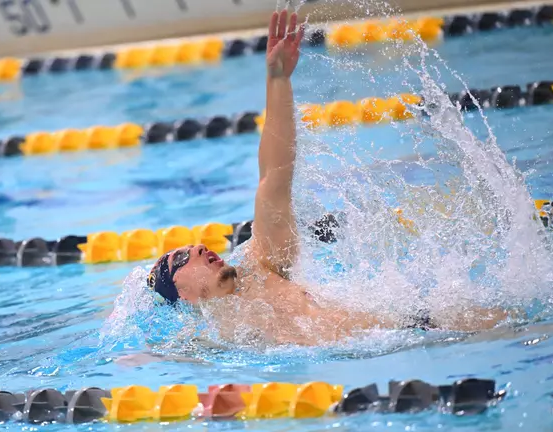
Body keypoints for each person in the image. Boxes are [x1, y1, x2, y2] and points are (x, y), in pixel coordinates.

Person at [145, 11, 511, 345]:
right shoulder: (214, 343)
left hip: (426, 327)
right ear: (183, 294)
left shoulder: (261, 267)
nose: (199, 248)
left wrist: (277, 80)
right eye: (183, 258)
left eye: (193, 247)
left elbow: (274, 177)